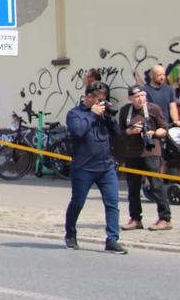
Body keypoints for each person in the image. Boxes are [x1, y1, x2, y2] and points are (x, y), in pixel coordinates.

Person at [65, 81, 126, 254]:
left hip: (106, 167)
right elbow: (77, 132)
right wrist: (92, 115)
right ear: (89, 97)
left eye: (104, 100)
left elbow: (117, 134)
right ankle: (70, 233)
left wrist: (109, 117)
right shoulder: (75, 114)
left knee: (112, 202)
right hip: (84, 167)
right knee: (78, 202)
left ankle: (112, 239)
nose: (101, 103)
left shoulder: (102, 114)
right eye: (99, 99)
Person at [118, 85, 171, 231]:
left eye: (142, 95)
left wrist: (153, 133)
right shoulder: (125, 111)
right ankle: (135, 219)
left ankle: (165, 218)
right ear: (130, 98)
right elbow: (120, 132)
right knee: (133, 188)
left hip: (151, 152)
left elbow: (164, 129)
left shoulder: (154, 109)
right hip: (132, 153)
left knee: (156, 185)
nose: (141, 99)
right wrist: (131, 131)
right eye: (137, 97)